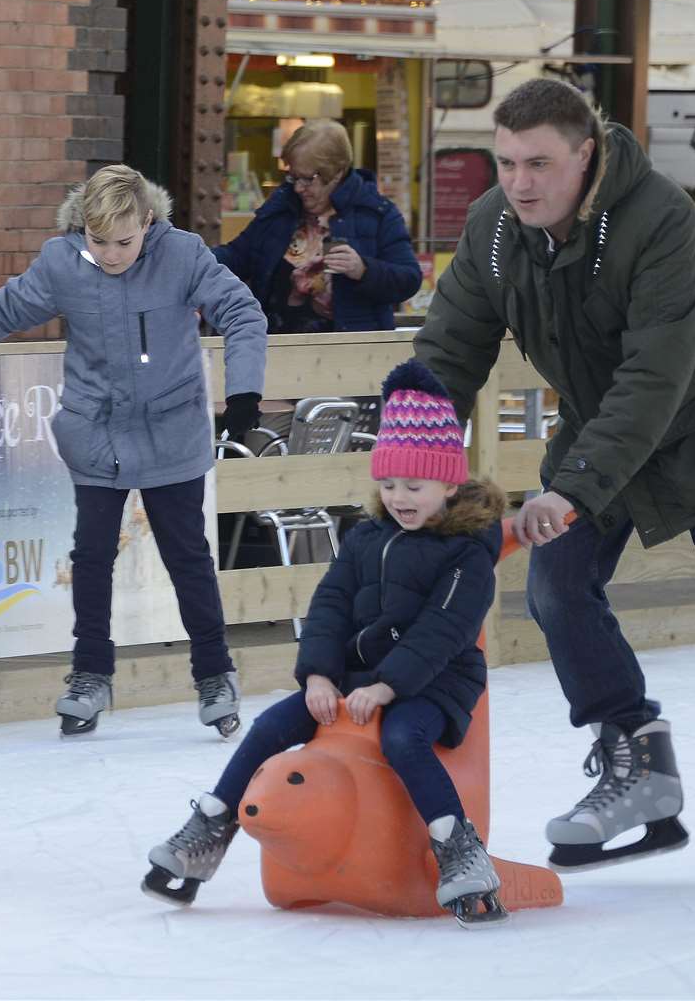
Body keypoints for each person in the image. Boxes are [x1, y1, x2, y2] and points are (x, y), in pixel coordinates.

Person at [414, 78, 695, 875]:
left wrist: (571, 489)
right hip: (606, 427)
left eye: (540, 163)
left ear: (586, 155)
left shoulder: (658, 222)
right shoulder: (493, 230)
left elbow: (655, 378)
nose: (520, 181)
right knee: (556, 587)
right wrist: (414, 453)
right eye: (507, 161)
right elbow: (449, 349)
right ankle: (637, 762)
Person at [0, 164, 267, 738]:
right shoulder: (64, 263)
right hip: (98, 431)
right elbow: (1, 310)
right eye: (98, 241)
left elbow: (242, 312)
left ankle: (214, 673)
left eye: (124, 242)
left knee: (187, 556)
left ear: (148, 221)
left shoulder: (182, 255)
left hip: (171, 430)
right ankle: (90, 674)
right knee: (89, 557)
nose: (110, 254)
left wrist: (244, 393)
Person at [143, 361, 510, 924]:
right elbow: (330, 606)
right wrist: (318, 674)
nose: (400, 497)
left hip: (435, 682)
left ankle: (459, 851)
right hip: (355, 678)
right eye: (389, 485)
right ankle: (210, 830)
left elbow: (445, 630)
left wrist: (390, 686)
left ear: (449, 483)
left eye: (414, 486)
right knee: (271, 726)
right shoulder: (366, 537)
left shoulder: (466, 553)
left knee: (405, 738)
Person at [212, 118, 421, 334]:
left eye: (308, 179)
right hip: (276, 346)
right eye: (293, 177)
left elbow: (409, 279)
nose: (298, 188)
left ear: (337, 173)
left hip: (352, 351)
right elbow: (237, 255)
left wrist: (363, 269)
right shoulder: (282, 207)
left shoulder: (378, 213)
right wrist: (193, 256)